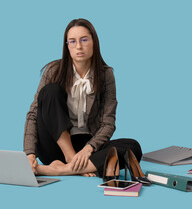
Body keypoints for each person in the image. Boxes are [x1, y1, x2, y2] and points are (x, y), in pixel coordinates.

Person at [23, 18, 145, 180]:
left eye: (84, 40)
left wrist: (88, 149)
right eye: (72, 41)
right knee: (50, 91)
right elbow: (33, 115)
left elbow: (108, 123)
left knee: (132, 147)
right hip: (53, 145)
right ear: (66, 46)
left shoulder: (105, 75)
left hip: (85, 148)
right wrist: (30, 154)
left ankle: (60, 170)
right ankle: (72, 160)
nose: (78, 46)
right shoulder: (53, 70)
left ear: (94, 42)